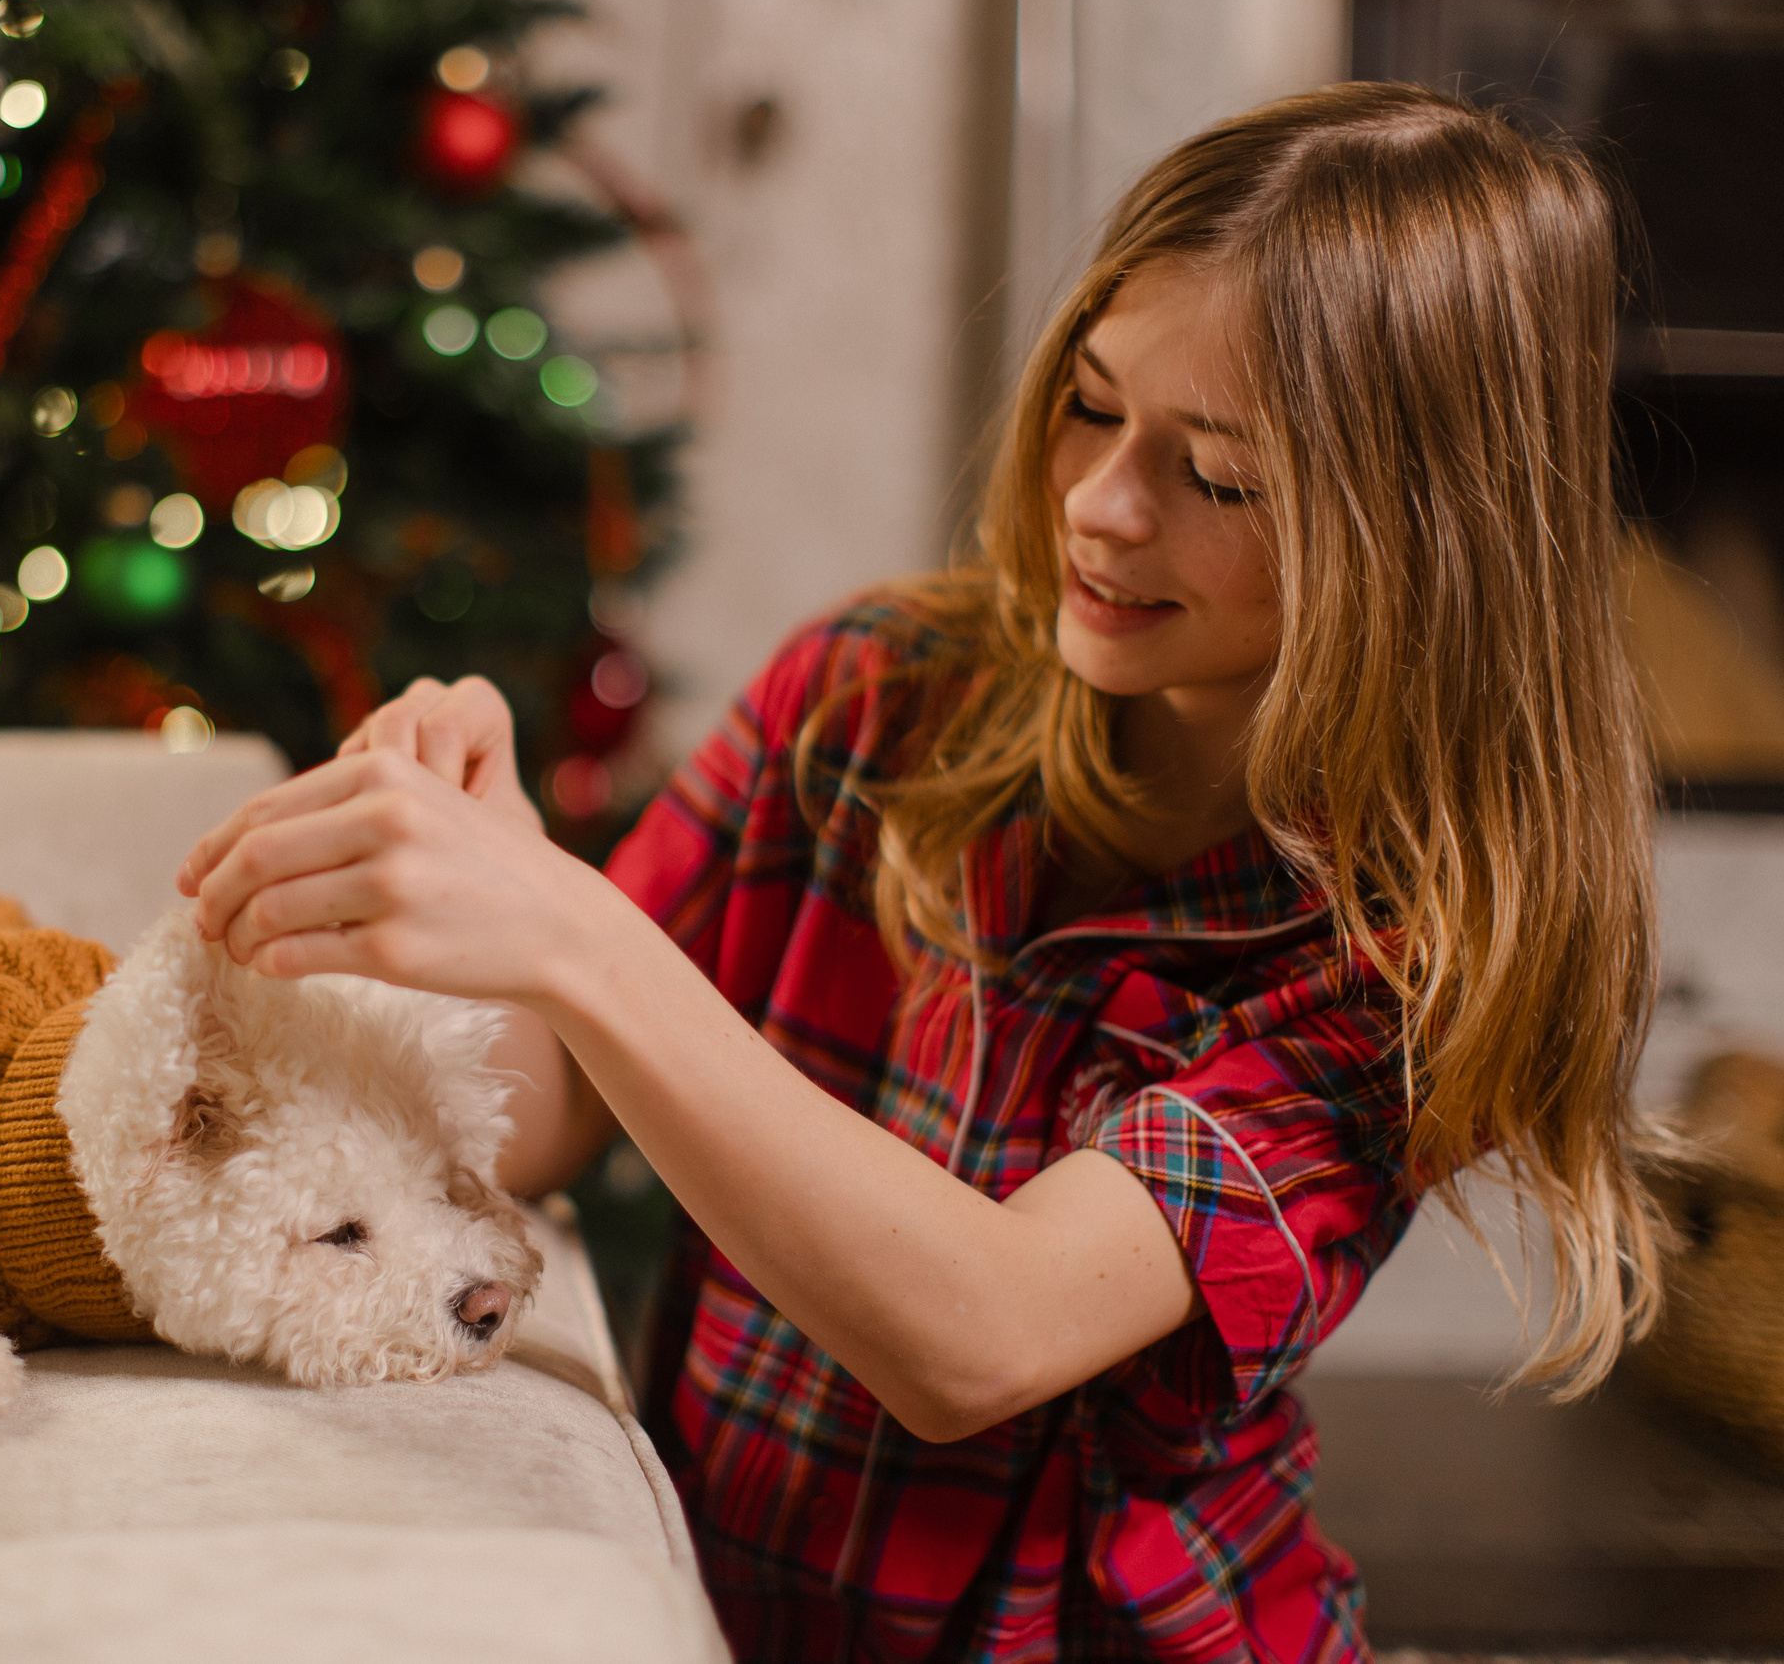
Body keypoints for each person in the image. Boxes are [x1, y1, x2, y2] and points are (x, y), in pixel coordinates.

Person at [176, 83, 1664, 1661]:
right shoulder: (874, 691)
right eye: (1094, 406)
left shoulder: (1403, 962)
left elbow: (982, 1333)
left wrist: (575, 931)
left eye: (1217, 477)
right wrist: (487, 896)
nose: (1100, 504)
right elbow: (542, 1116)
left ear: (1417, 538)